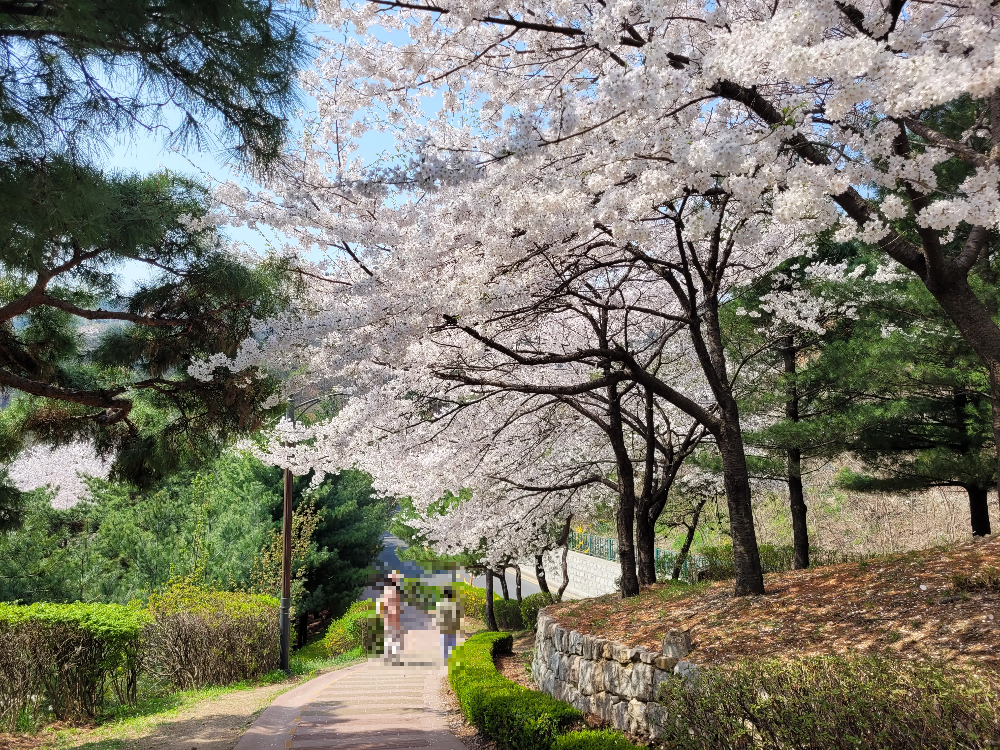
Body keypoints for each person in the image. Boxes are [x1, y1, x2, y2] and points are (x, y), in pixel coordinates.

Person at [382, 570, 404, 664]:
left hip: (389, 617)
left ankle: (389, 657)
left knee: (389, 636)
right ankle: (393, 657)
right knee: (394, 636)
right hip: (393, 617)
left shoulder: (387, 590)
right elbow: (397, 606)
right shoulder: (395, 591)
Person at [435, 586, 462, 661]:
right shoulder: (455, 604)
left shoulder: (440, 603)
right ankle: (451, 656)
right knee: (452, 641)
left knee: (444, 641)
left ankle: (444, 656)